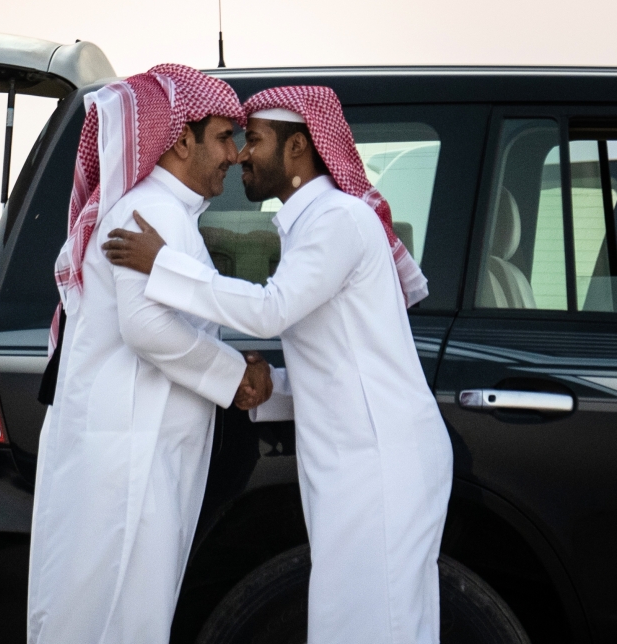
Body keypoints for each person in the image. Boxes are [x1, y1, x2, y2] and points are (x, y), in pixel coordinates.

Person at [102, 85, 453, 644]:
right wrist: (256, 386)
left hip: (382, 462)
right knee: (353, 625)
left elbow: (270, 311)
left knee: (378, 627)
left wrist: (161, 264)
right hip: (354, 462)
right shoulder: (310, 226)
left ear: (297, 150)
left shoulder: (338, 220)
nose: (241, 154)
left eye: (256, 140)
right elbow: (336, 365)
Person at [27, 64, 273, 644]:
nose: (235, 155)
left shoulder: (172, 214)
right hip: (127, 462)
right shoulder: (151, 213)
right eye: (222, 137)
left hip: (142, 452)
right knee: (111, 615)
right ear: (181, 138)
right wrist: (233, 374)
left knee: (127, 613)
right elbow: (147, 329)